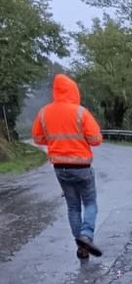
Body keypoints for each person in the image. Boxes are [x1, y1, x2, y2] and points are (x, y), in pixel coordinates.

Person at [32, 73, 103, 259]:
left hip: (59, 168)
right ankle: (86, 235)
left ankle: (80, 246)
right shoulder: (80, 112)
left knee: (73, 207)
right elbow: (96, 139)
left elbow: (37, 138)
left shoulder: (44, 112)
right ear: (73, 91)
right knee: (90, 203)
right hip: (82, 168)